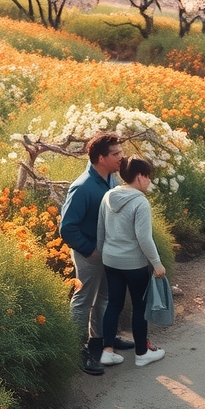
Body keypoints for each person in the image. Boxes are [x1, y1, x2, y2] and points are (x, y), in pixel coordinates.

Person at [59, 132, 135, 375]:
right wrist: (90, 251)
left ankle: (101, 341)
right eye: (116, 154)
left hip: (108, 252)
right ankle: (75, 350)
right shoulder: (82, 187)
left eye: (121, 153)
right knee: (83, 302)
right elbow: (67, 227)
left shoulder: (110, 179)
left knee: (104, 298)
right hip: (90, 254)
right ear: (101, 158)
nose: (121, 158)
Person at [96, 156, 167, 368]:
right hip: (133, 264)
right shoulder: (140, 202)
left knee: (114, 304)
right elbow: (144, 238)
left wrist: (105, 254)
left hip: (111, 261)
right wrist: (157, 263)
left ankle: (107, 351)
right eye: (148, 177)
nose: (149, 182)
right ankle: (141, 353)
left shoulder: (108, 196)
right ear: (139, 176)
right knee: (139, 306)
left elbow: (101, 230)